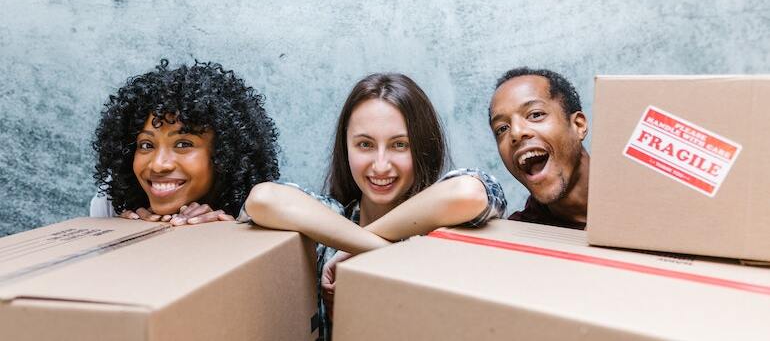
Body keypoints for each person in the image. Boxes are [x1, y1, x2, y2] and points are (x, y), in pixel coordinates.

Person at [241, 73, 507, 340]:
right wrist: (378, 249)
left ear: (423, 147)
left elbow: (469, 194)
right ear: (346, 148)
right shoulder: (327, 222)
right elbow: (263, 199)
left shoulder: (441, 233)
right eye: (365, 145)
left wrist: (356, 250)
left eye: (399, 145)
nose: (380, 165)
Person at [90, 59, 280, 224]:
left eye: (183, 144)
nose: (158, 165)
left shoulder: (272, 206)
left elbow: (269, 200)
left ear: (225, 154)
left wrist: (231, 230)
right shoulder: (110, 205)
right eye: (146, 145)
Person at [489, 67, 589, 230]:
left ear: (578, 125)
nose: (516, 132)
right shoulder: (519, 238)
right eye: (502, 129)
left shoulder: (639, 184)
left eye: (535, 115)